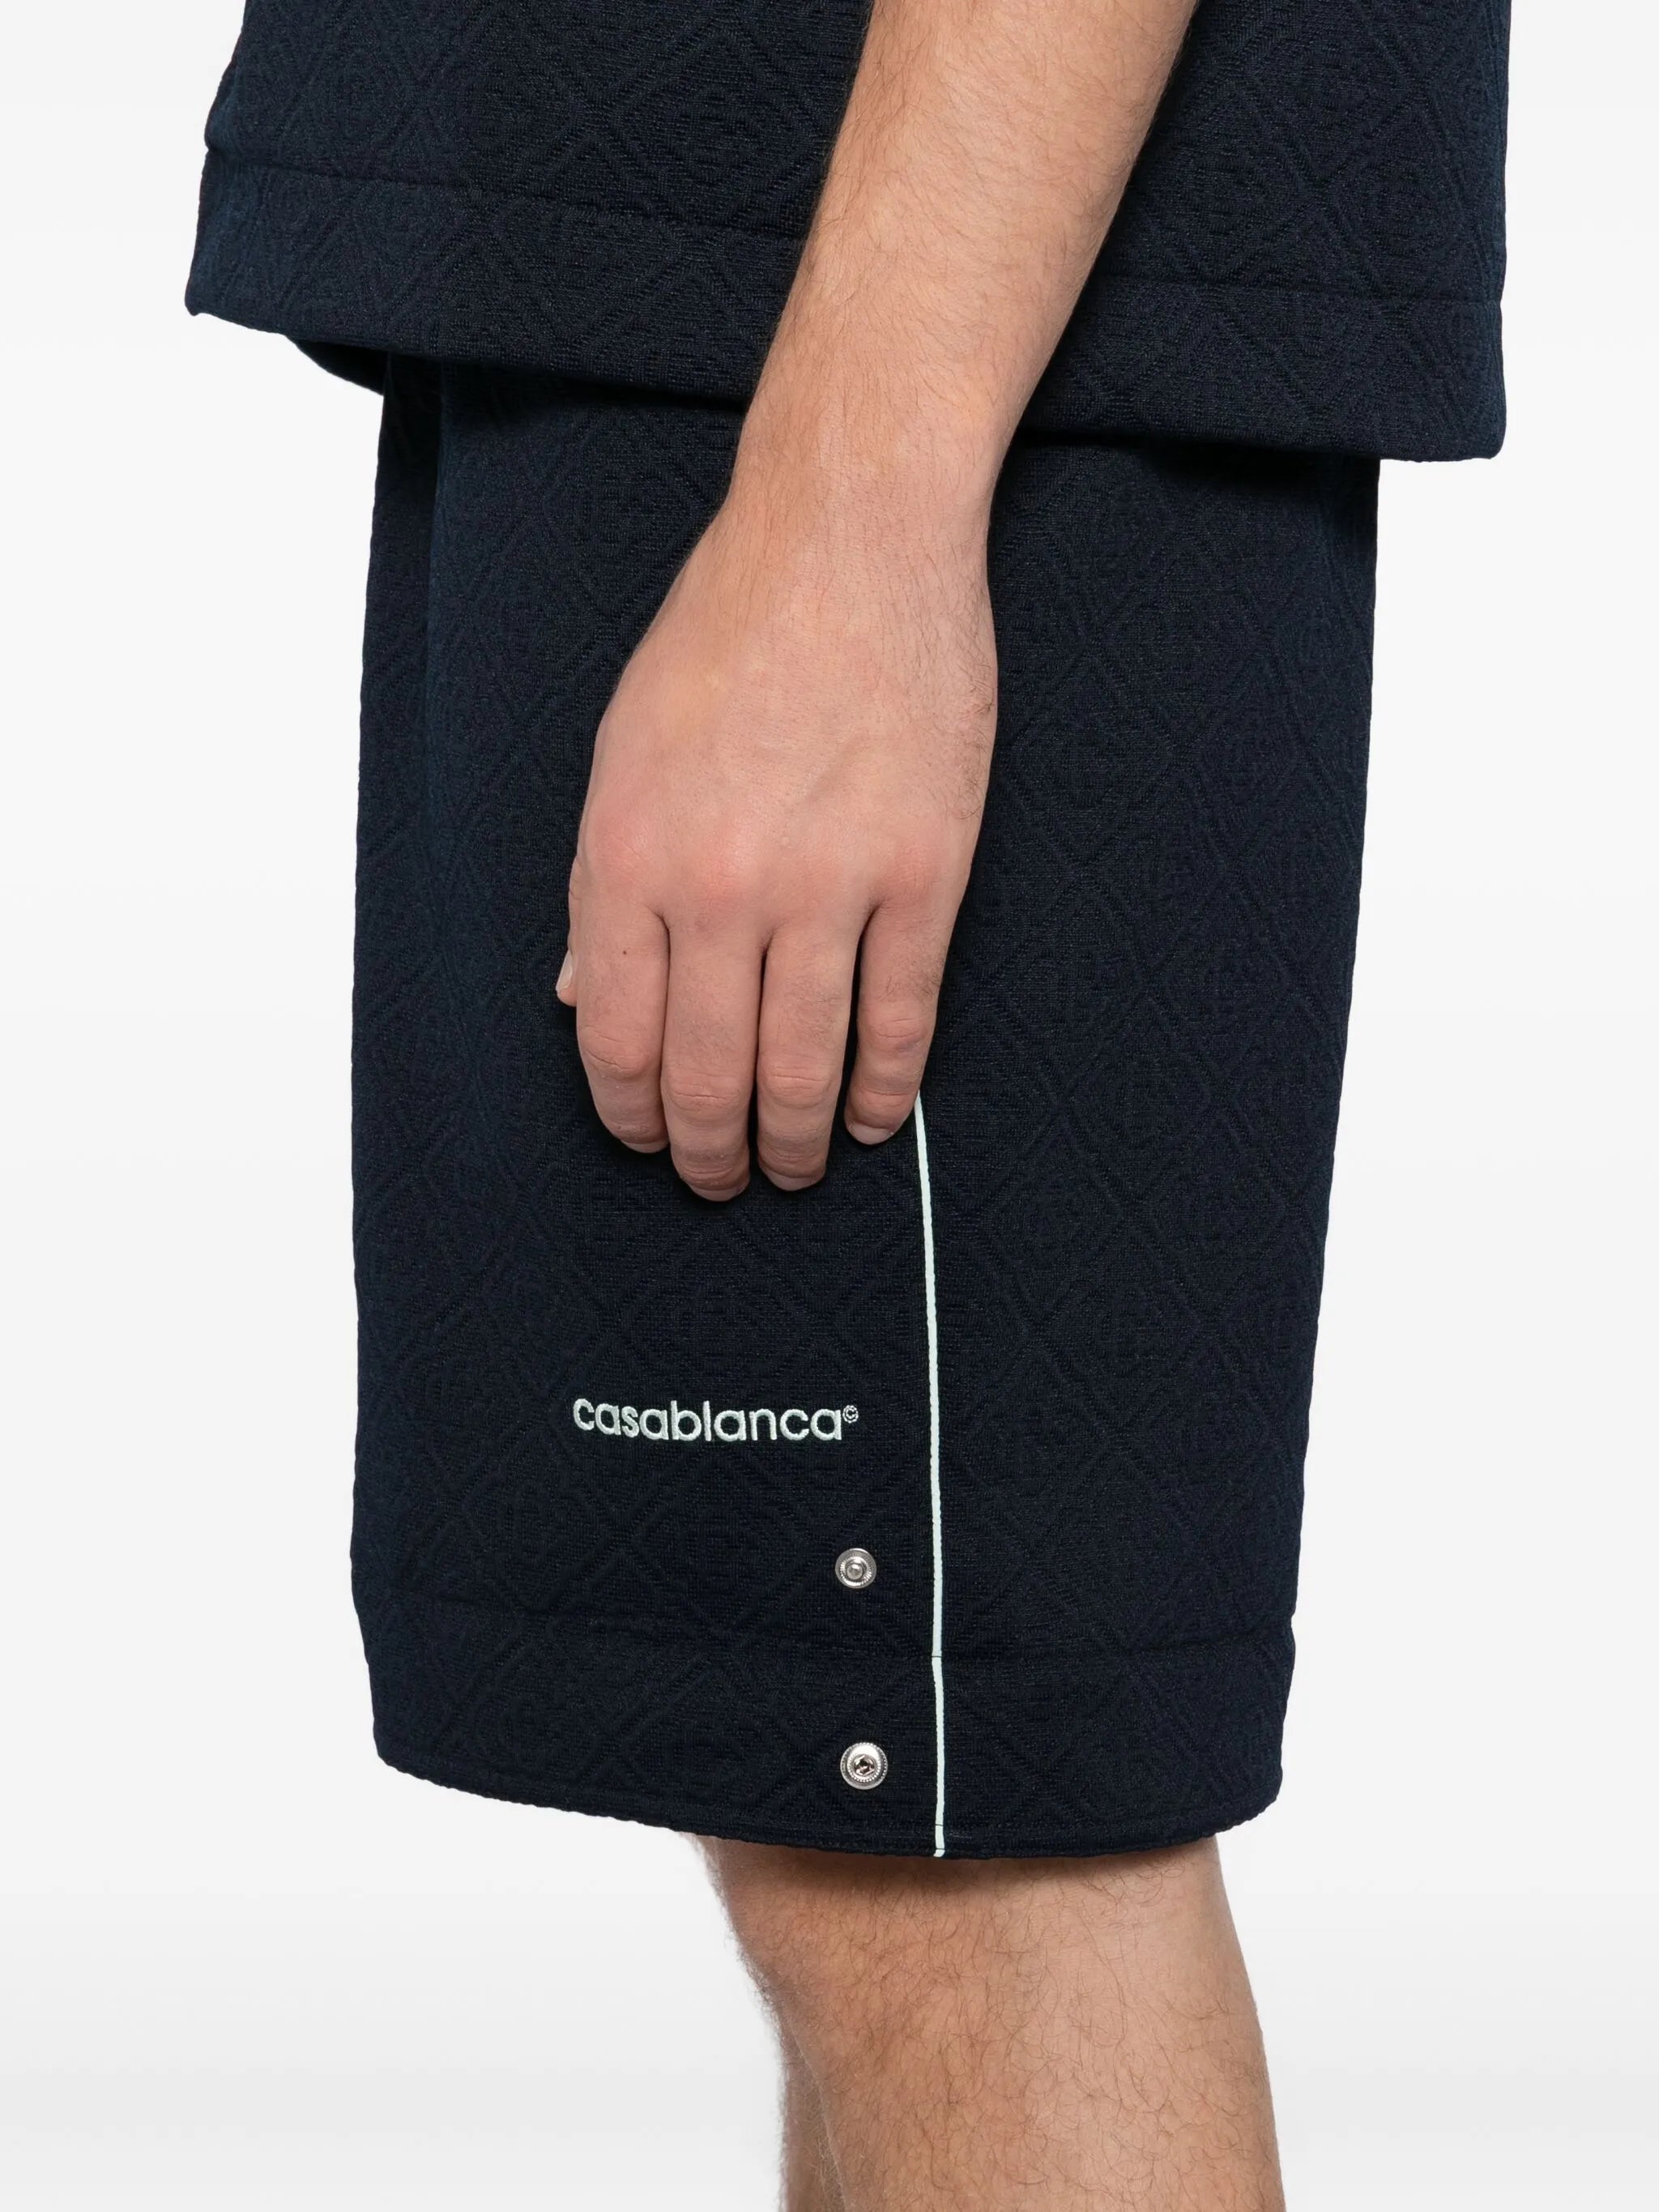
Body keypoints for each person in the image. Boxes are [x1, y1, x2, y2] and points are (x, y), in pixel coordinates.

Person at [188, 2, 1511, 2201]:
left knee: (961, 1863)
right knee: (857, 1823)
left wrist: (859, 515)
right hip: (720, 280)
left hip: (891, 308)